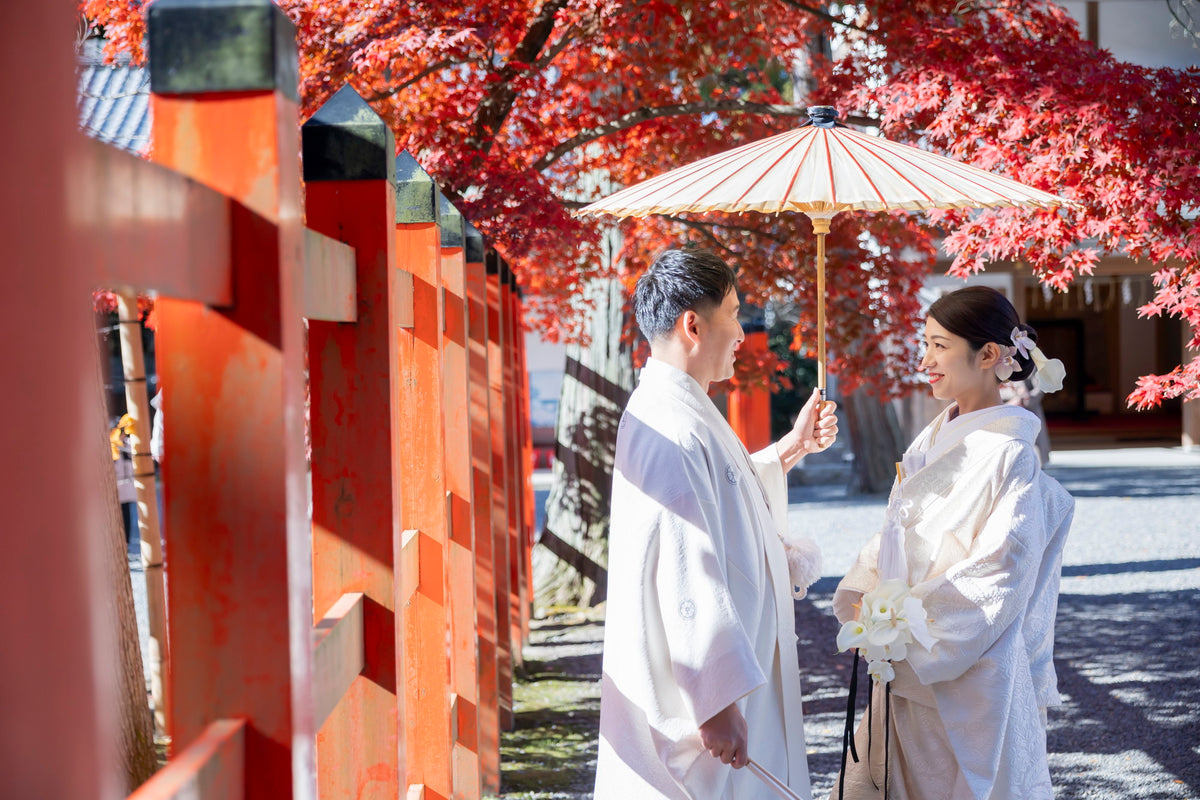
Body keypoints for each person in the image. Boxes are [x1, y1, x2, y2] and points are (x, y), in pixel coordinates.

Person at [593, 248, 839, 800]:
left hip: (718, 671)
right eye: (732, 312)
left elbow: (725, 493)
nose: (740, 330)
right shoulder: (675, 424)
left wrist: (792, 448)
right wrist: (717, 702)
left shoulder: (677, 407)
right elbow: (685, 568)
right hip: (697, 692)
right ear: (693, 325)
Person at [831, 286, 1075, 800]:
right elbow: (893, 533)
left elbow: (1002, 568)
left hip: (963, 662)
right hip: (902, 654)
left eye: (939, 346)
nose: (925, 360)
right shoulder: (928, 442)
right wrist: (869, 601)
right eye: (926, 344)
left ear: (988, 355)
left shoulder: (1012, 455)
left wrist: (907, 622)